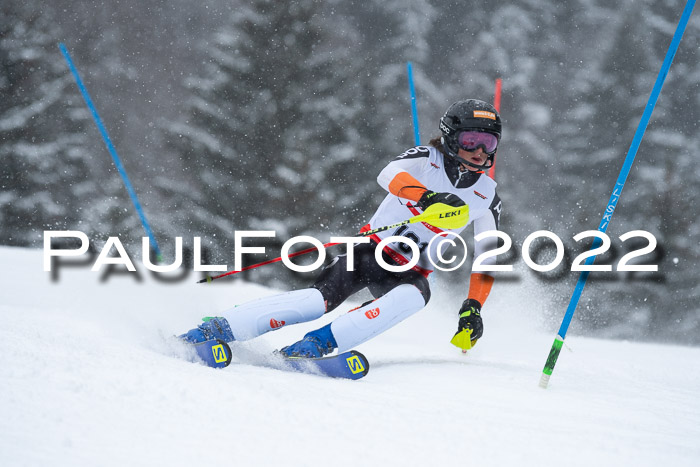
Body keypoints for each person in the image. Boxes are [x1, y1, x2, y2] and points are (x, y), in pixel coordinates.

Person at [181, 99, 503, 358]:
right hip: (368, 251)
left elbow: (486, 257)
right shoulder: (426, 158)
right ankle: (220, 328)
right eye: (471, 140)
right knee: (315, 302)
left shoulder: (487, 196)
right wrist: (426, 197)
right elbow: (388, 175)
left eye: (488, 142)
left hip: (410, 270)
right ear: (450, 137)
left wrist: (472, 307)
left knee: (415, 298)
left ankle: (318, 345)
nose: (480, 151)